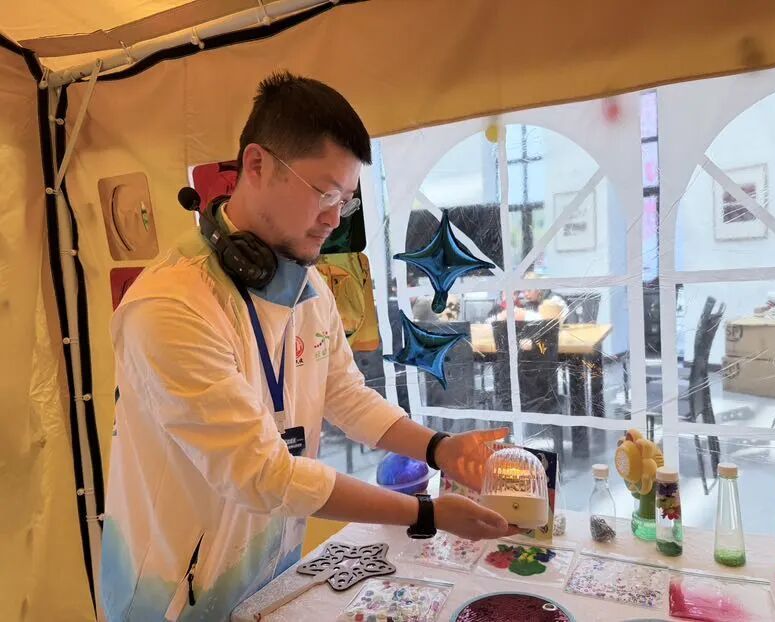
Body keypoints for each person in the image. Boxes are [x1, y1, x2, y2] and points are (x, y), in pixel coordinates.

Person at [100, 72, 516, 622]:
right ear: (256, 164)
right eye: (324, 193)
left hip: (270, 576)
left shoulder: (306, 283)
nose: (333, 218)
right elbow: (262, 474)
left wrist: (439, 448)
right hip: (174, 598)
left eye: (345, 201)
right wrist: (426, 513)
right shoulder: (171, 306)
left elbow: (345, 395)